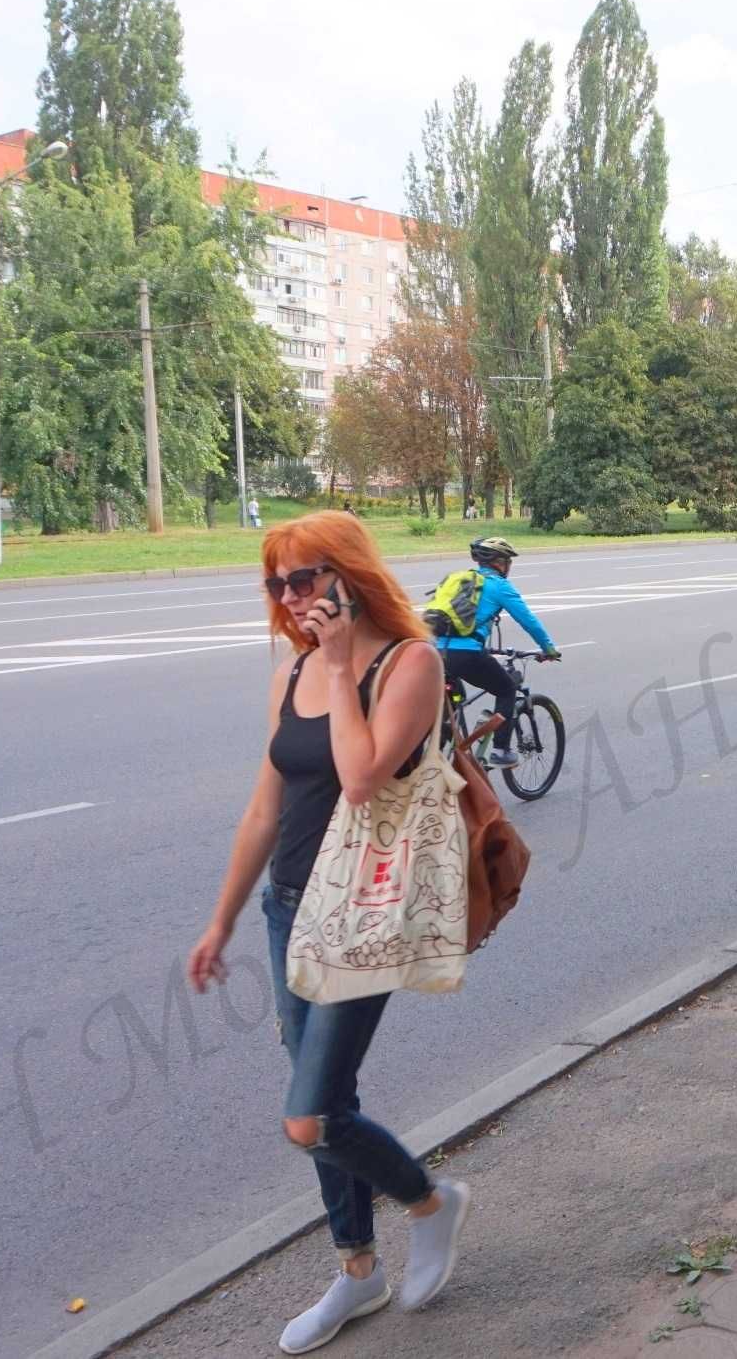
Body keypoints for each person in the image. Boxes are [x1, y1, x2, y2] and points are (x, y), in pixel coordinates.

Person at [187, 510, 471, 1353]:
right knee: (325, 1098)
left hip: (363, 916)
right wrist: (221, 919)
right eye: (275, 581)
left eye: (304, 578)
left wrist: (345, 666)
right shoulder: (292, 674)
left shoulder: (410, 663)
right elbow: (264, 808)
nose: (289, 597)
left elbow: (358, 778)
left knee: (309, 1116)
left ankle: (430, 1203)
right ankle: (359, 1271)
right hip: (288, 911)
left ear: (348, 574)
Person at [423, 536, 560, 768]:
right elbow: (529, 621)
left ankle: (437, 751)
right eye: (507, 561)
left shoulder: (460, 581)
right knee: (506, 688)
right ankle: (500, 750)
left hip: (434, 651)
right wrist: (549, 649)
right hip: (466, 655)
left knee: (453, 701)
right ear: (500, 563)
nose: (509, 566)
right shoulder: (499, 586)